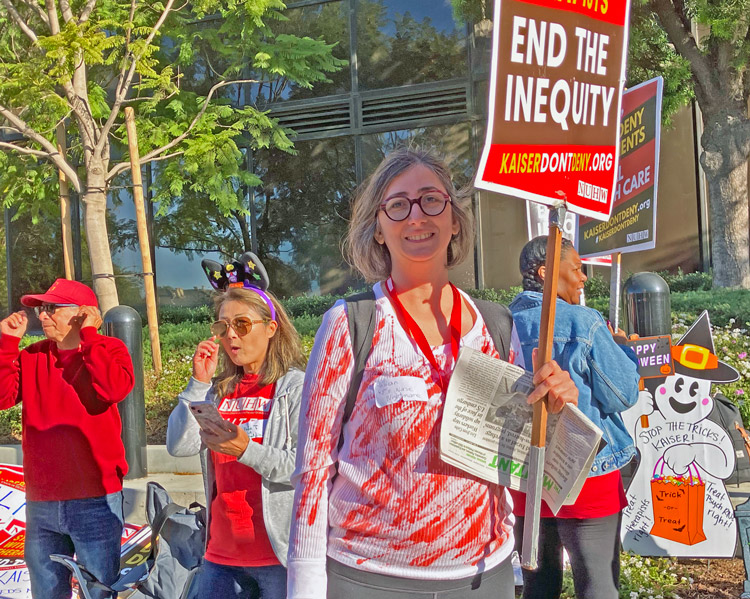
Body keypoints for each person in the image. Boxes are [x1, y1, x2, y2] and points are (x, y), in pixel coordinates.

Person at [287, 147, 578, 599]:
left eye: (431, 199)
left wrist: (556, 409)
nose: (416, 216)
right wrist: (304, 587)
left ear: (455, 218)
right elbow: (313, 470)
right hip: (369, 578)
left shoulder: (496, 325)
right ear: (378, 229)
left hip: (484, 575)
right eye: (398, 205)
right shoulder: (350, 324)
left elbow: (527, 460)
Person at [167, 252, 305, 599]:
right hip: (220, 554)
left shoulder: (294, 388)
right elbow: (179, 446)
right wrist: (197, 384)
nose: (231, 336)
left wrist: (246, 450)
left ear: (271, 328)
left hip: (278, 555)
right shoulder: (218, 391)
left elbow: (304, 467)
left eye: (242, 325)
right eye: (222, 326)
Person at [508, 235, 640, 599]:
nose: (584, 278)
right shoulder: (585, 321)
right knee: (597, 581)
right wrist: (625, 352)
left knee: (539, 583)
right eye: (577, 269)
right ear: (547, 272)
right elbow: (623, 394)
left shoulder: (499, 322)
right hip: (587, 471)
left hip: (526, 475)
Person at [0, 279, 134, 599]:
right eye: (41, 309)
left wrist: (89, 337)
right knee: (46, 592)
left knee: (98, 592)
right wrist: (6, 345)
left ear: (82, 314)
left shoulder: (109, 349)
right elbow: (3, 397)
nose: (42, 316)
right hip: (41, 500)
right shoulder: (32, 355)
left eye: (51, 308)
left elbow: (113, 389)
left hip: (96, 501)